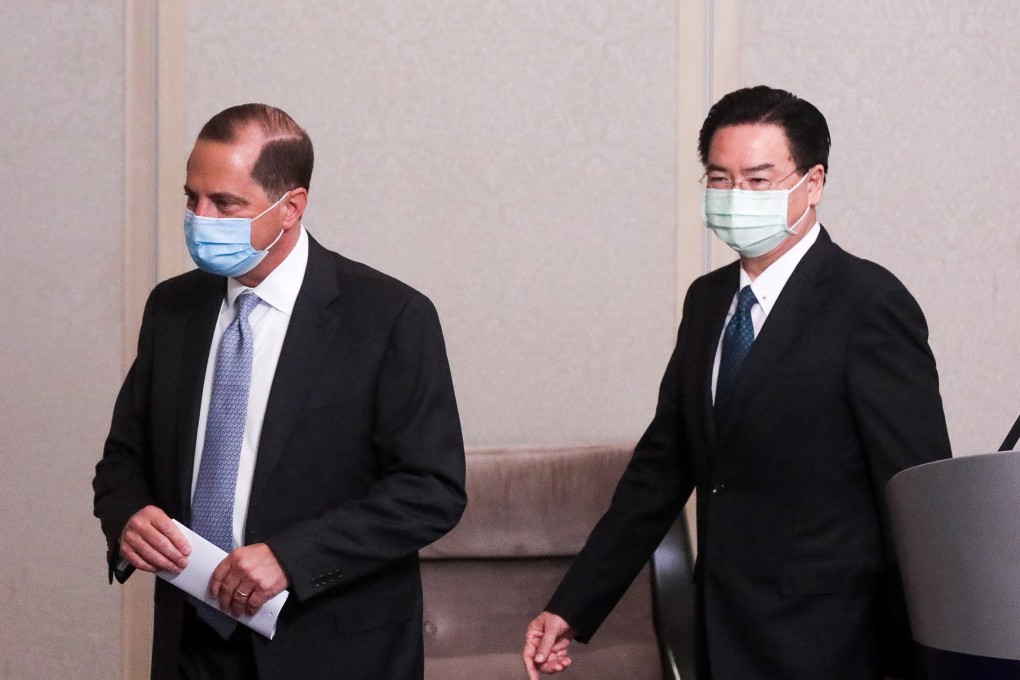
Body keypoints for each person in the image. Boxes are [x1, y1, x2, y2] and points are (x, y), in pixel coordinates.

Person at [523, 86, 952, 680]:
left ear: (813, 183)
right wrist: (572, 605)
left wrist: (934, 653)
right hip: (721, 630)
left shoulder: (868, 304)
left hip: (833, 640)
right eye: (720, 180)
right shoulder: (707, 302)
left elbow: (916, 493)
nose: (736, 197)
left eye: (758, 180)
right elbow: (661, 469)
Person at [93, 103, 466, 680]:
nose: (199, 218)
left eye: (225, 203)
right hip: (191, 643)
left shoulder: (390, 317)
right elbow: (125, 455)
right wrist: (128, 517)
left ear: (290, 207)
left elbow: (431, 490)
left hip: (330, 648)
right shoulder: (173, 308)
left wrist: (291, 559)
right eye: (192, 198)